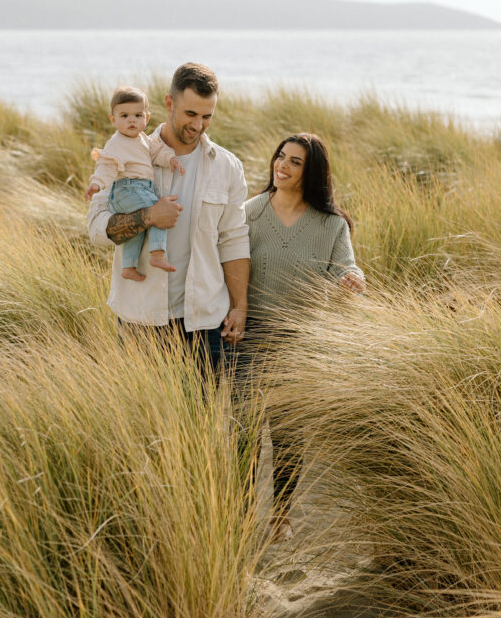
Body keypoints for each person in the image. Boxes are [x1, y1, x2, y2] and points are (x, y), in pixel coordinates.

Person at [243, 132, 365, 542]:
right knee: (243, 432)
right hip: (247, 336)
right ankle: (240, 517)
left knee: (288, 436)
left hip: (297, 341)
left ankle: (279, 516)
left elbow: (347, 268)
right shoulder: (250, 213)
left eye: (295, 161)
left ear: (310, 171)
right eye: (280, 156)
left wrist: (351, 280)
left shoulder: (331, 225)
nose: (283, 165)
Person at [86, 63, 249, 369]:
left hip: (205, 323)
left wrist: (240, 306)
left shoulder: (227, 167)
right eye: (190, 114)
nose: (198, 125)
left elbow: (233, 239)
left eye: (206, 116)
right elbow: (95, 230)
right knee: (139, 417)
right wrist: (148, 216)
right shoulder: (124, 154)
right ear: (169, 103)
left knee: (207, 414)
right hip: (141, 323)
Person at [84, 85, 185, 281]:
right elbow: (105, 165)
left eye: (138, 115)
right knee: (158, 212)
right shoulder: (116, 143)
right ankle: (157, 254)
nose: (132, 120)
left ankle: (128, 266)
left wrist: (171, 159)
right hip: (127, 189)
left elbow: (158, 153)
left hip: (137, 189)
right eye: (124, 116)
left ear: (146, 118)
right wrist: (96, 183)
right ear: (113, 120)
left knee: (137, 229)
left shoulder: (145, 140)